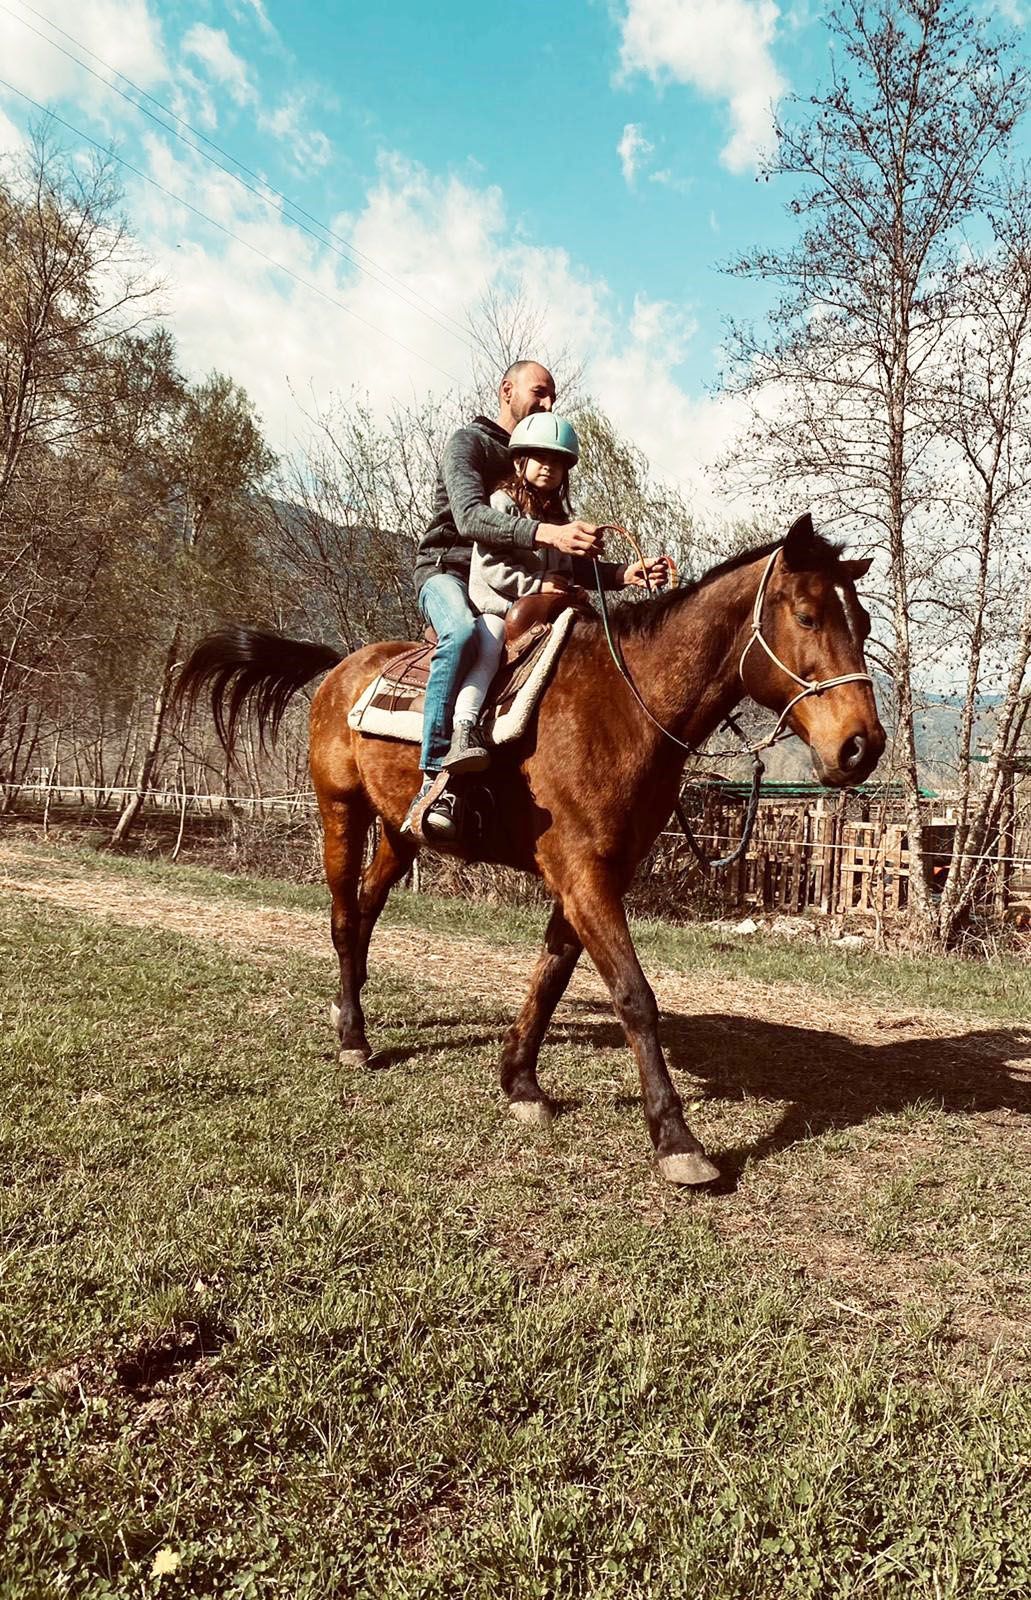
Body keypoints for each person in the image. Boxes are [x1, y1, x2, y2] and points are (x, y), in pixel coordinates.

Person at [404, 360, 603, 840]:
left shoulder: (541, 457)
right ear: (507, 389)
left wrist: (621, 574)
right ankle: (434, 776)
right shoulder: (469, 443)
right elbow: (470, 518)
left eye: (553, 396)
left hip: (509, 584)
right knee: (461, 633)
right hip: (448, 572)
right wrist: (547, 534)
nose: (548, 403)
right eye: (539, 392)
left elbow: (559, 563)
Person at [443, 413, 670, 765]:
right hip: (499, 607)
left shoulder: (559, 520)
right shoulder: (502, 503)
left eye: (558, 462)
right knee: (488, 647)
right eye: (540, 457)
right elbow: (491, 568)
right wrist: (536, 584)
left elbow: (572, 569)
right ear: (519, 461)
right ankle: (464, 729)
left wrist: (625, 574)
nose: (549, 467)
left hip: (546, 614)